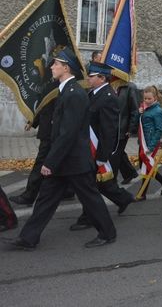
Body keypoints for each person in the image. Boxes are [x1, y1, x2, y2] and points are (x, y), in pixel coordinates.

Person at [4, 48, 116, 250]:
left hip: (73, 160)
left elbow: (68, 133)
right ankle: (28, 238)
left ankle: (108, 233)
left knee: (91, 199)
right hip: (64, 160)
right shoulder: (67, 91)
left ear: (66, 68)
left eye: (56, 64)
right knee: (46, 199)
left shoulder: (74, 94)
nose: (52, 67)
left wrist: (50, 162)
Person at [69, 62, 133, 231]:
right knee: (97, 185)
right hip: (89, 148)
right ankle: (123, 198)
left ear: (102, 78)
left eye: (91, 76)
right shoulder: (94, 93)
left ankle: (88, 218)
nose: (88, 79)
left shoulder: (108, 97)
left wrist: (102, 156)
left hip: (98, 150)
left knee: (89, 186)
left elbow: (109, 131)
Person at [137, 86, 162, 199]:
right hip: (143, 141)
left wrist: (151, 146)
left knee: (147, 164)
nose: (146, 101)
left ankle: (143, 193)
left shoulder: (158, 111)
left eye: (149, 99)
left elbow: (159, 130)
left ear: (155, 98)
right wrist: (139, 113)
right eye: (145, 98)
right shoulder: (144, 108)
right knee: (145, 165)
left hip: (150, 143)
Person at [111, 80, 140, 185]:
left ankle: (111, 182)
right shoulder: (109, 84)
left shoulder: (130, 87)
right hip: (112, 127)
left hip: (123, 128)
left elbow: (134, 109)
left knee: (115, 154)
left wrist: (131, 128)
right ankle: (129, 173)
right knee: (117, 152)